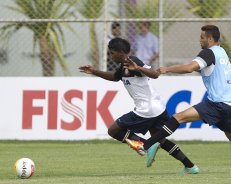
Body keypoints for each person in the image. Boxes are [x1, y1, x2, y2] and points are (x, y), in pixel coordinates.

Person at [126, 25, 231, 173]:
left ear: (210, 39)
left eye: (202, 38)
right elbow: (198, 68)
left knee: (178, 117)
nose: (200, 40)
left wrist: (167, 69)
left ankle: (145, 146)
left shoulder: (208, 53)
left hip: (217, 103)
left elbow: (190, 68)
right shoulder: (221, 52)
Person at [79, 37, 199, 174]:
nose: (110, 55)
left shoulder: (134, 61)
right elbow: (114, 77)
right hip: (157, 108)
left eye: (112, 52)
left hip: (146, 110)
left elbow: (155, 74)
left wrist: (138, 68)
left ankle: (145, 144)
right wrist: (94, 71)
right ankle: (190, 166)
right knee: (162, 140)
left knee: (113, 130)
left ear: (120, 52)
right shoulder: (123, 66)